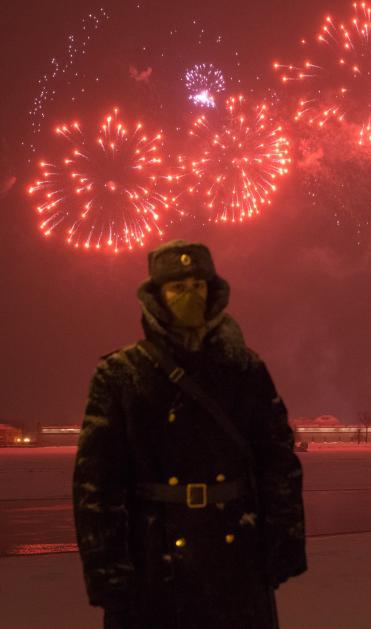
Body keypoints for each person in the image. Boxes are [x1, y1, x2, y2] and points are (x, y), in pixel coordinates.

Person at [73, 240, 307, 629]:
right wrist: (108, 572)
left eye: (198, 286)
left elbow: (277, 463)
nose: (190, 296)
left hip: (235, 560)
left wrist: (282, 544)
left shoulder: (244, 369)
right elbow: (96, 486)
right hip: (154, 562)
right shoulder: (121, 374)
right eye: (178, 287)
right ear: (157, 297)